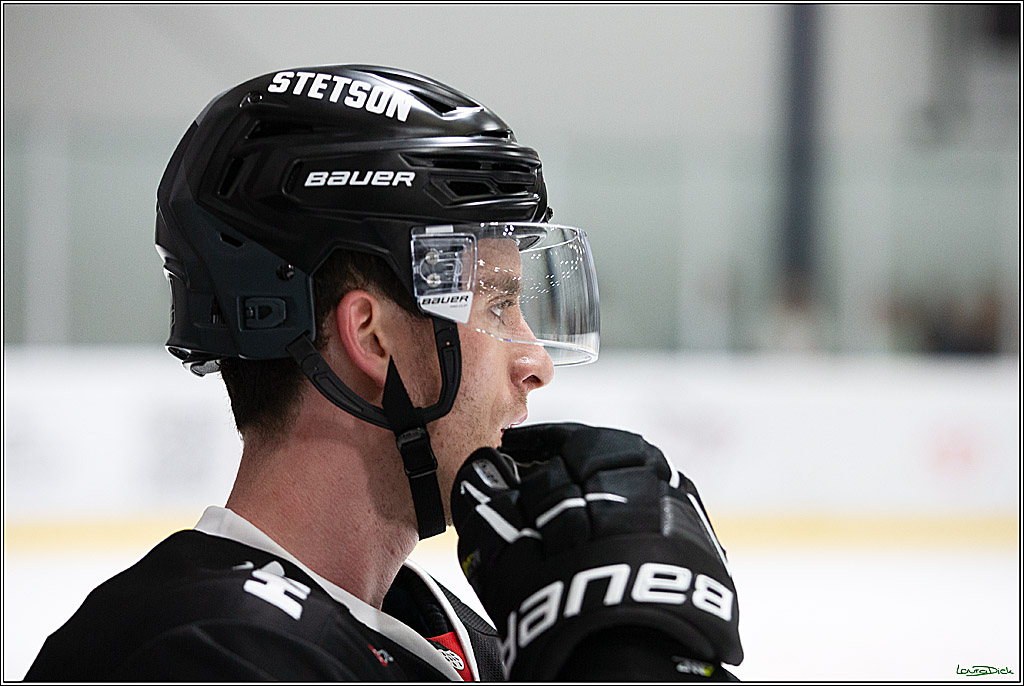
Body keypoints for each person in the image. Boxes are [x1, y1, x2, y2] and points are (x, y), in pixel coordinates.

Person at [25, 65, 742, 681]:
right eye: (497, 302)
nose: (535, 363)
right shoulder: (198, 650)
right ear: (371, 336)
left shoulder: (445, 632)